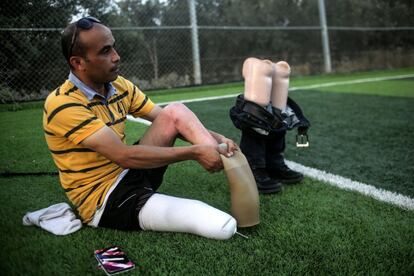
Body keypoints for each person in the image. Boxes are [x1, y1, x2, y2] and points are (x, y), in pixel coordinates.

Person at [43, 17, 238, 240]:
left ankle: (232, 172)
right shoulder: (62, 103)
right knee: (222, 226)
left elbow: (170, 119)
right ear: (78, 63)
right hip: (105, 199)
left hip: (132, 173)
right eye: (105, 51)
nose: (116, 57)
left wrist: (218, 139)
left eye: (113, 47)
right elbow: (123, 156)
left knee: (175, 110)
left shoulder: (118, 85)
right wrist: (194, 153)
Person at [230, 57, 310, 194]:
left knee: (280, 75)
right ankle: (253, 166)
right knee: (257, 116)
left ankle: (273, 165)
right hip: (254, 113)